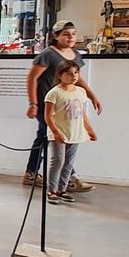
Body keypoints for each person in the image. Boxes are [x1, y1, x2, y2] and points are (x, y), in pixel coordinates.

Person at [24, 21, 101, 189]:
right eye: (66, 34)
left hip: (64, 104)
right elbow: (32, 78)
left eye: (73, 33)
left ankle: (35, 173)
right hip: (48, 102)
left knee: (55, 135)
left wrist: (92, 95)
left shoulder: (75, 55)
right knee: (51, 135)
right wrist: (33, 103)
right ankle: (68, 178)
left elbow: (78, 79)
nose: (71, 37)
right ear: (56, 36)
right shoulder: (48, 54)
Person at [44, 59, 97, 203]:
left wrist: (89, 130)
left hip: (75, 132)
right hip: (59, 132)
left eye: (76, 73)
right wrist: (55, 132)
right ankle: (52, 190)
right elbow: (48, 115)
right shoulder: (54, 93)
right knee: (58, 161)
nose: (73, 76)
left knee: (68, 162)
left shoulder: (80, 92)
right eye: (68, 73)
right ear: (60, 75)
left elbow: (82, 113)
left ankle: (62, 189)